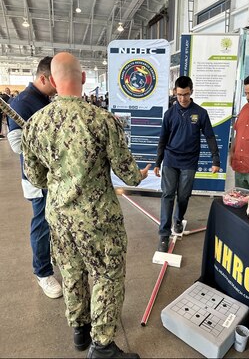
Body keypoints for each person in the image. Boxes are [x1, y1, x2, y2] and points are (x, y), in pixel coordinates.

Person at [21, 52, 151, 358]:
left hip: (59, 216)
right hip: (98, 220)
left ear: (52, 82)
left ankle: (79, 330)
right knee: (107, 275)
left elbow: (36, 177)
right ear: (82, 79)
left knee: (71, 271)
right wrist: (141, 173)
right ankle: (102, 345)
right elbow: (129, 174)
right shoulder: (103, 120)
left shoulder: (35, 124)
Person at [7, 57, 62, 299]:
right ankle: (42, 272)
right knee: (41, 223)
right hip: (36, 179)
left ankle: (50, 256)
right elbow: (16, 144)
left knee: (53, 220)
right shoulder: (22, 102)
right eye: (54, 81)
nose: (58, 86)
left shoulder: (45, 99)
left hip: (54, 176)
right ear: (42, 78)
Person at [154, 76, 220, 253]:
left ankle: (178, 219)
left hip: (189, 162)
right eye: (180, 95)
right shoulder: (169, 114)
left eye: (186, 94)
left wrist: (216, 160)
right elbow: (162, 139)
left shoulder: (200, 113)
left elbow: (210, 136)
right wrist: (157, 162)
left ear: (192, 92)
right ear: (175, 92)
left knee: (183, 196)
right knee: (167, 195)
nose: (183, 98)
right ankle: (164, 235)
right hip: (170, 159)